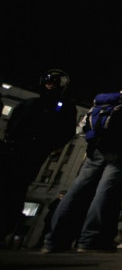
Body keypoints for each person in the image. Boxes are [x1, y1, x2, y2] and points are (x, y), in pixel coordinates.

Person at [44, 77, 122, 253]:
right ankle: (90, 241)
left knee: (76, 191)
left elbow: (82, 127)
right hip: (120, 153)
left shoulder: (109, 98)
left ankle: (54, 240)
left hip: (96, 150)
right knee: (106, 194)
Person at [1, 69, 78, 243]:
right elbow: (12, 126)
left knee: (16, 187)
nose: (50, 86)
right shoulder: (30, 103)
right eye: (48, 82)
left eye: (54, 83)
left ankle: (5, 225)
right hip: (15, 150)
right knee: (10, 186)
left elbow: (66, 132)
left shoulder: (63, 107)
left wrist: (49, 146)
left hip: (32, 152)